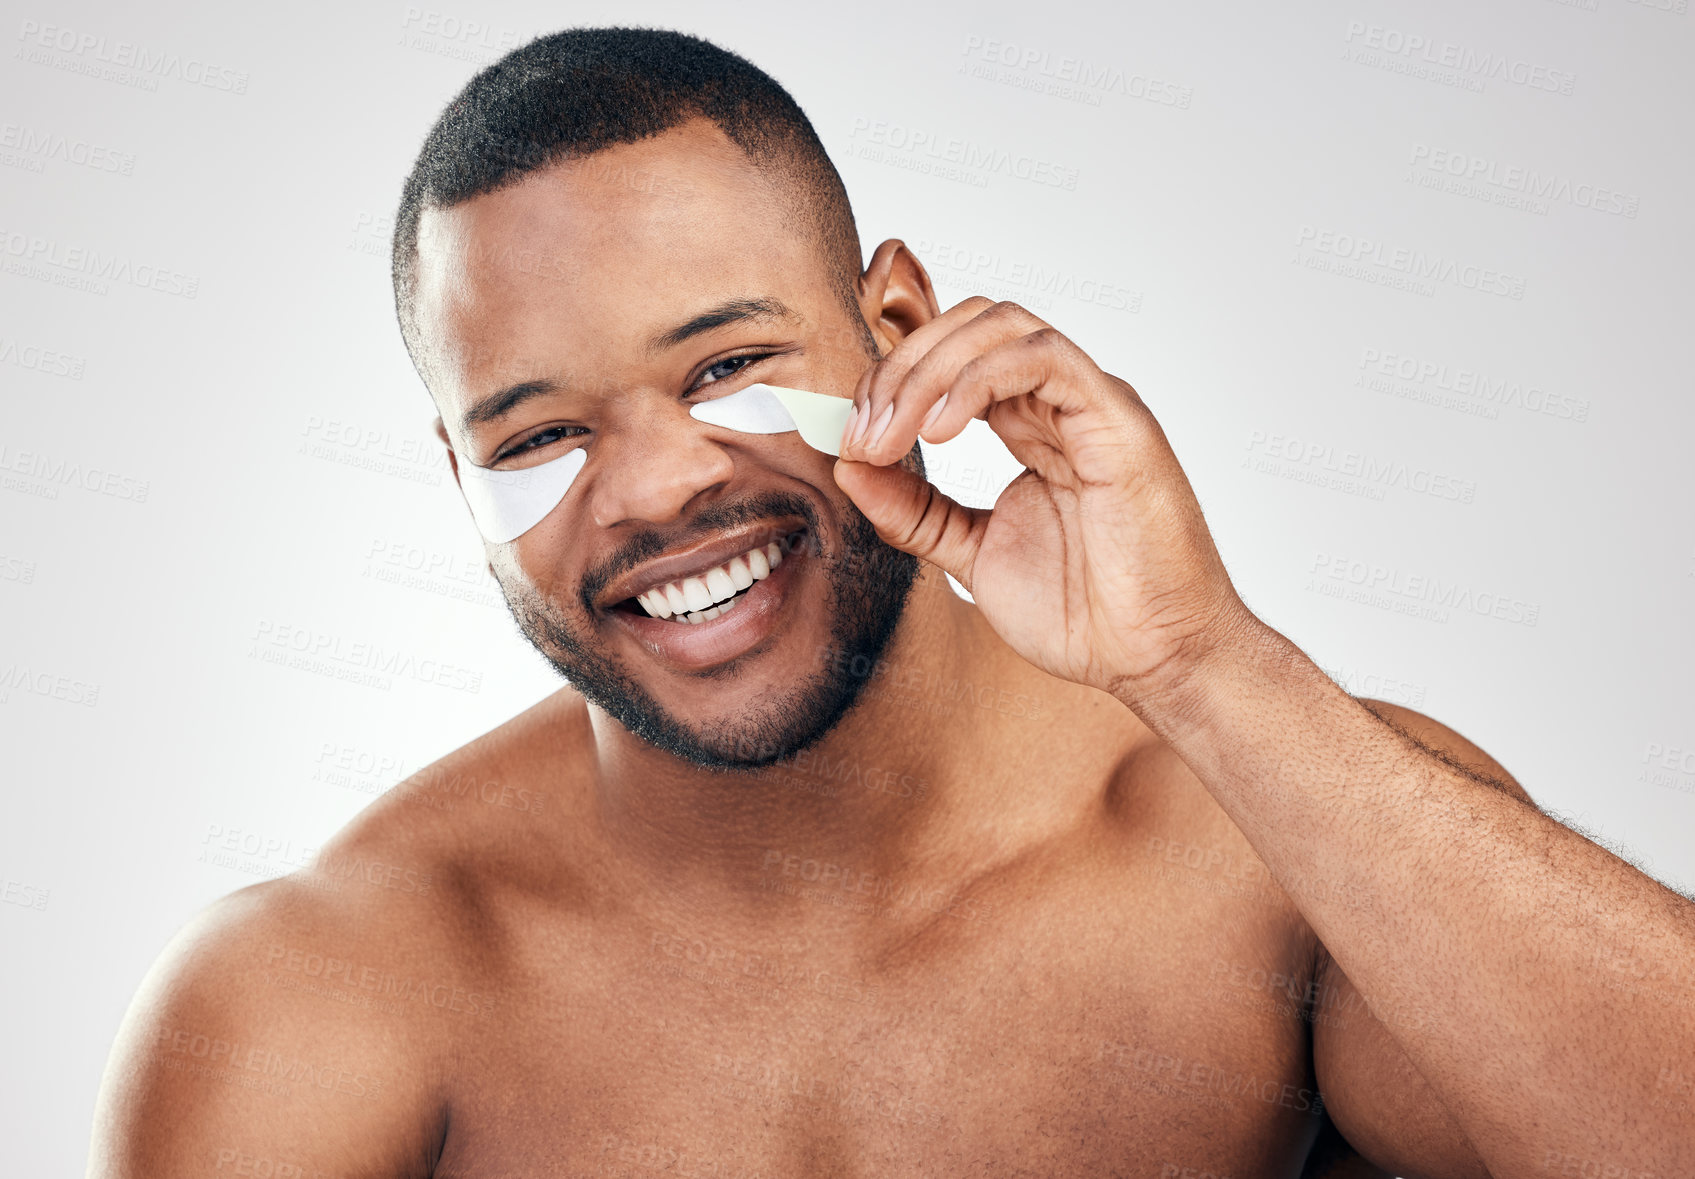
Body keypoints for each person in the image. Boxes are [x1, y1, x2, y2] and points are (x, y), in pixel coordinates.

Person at [86, 27, 1693, 1179]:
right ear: (458, 481)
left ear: (901, 325)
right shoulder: (325, 999)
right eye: (541, 433)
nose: (649, 489)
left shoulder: (1255, 854)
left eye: (726, 366)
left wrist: (1201, 662)